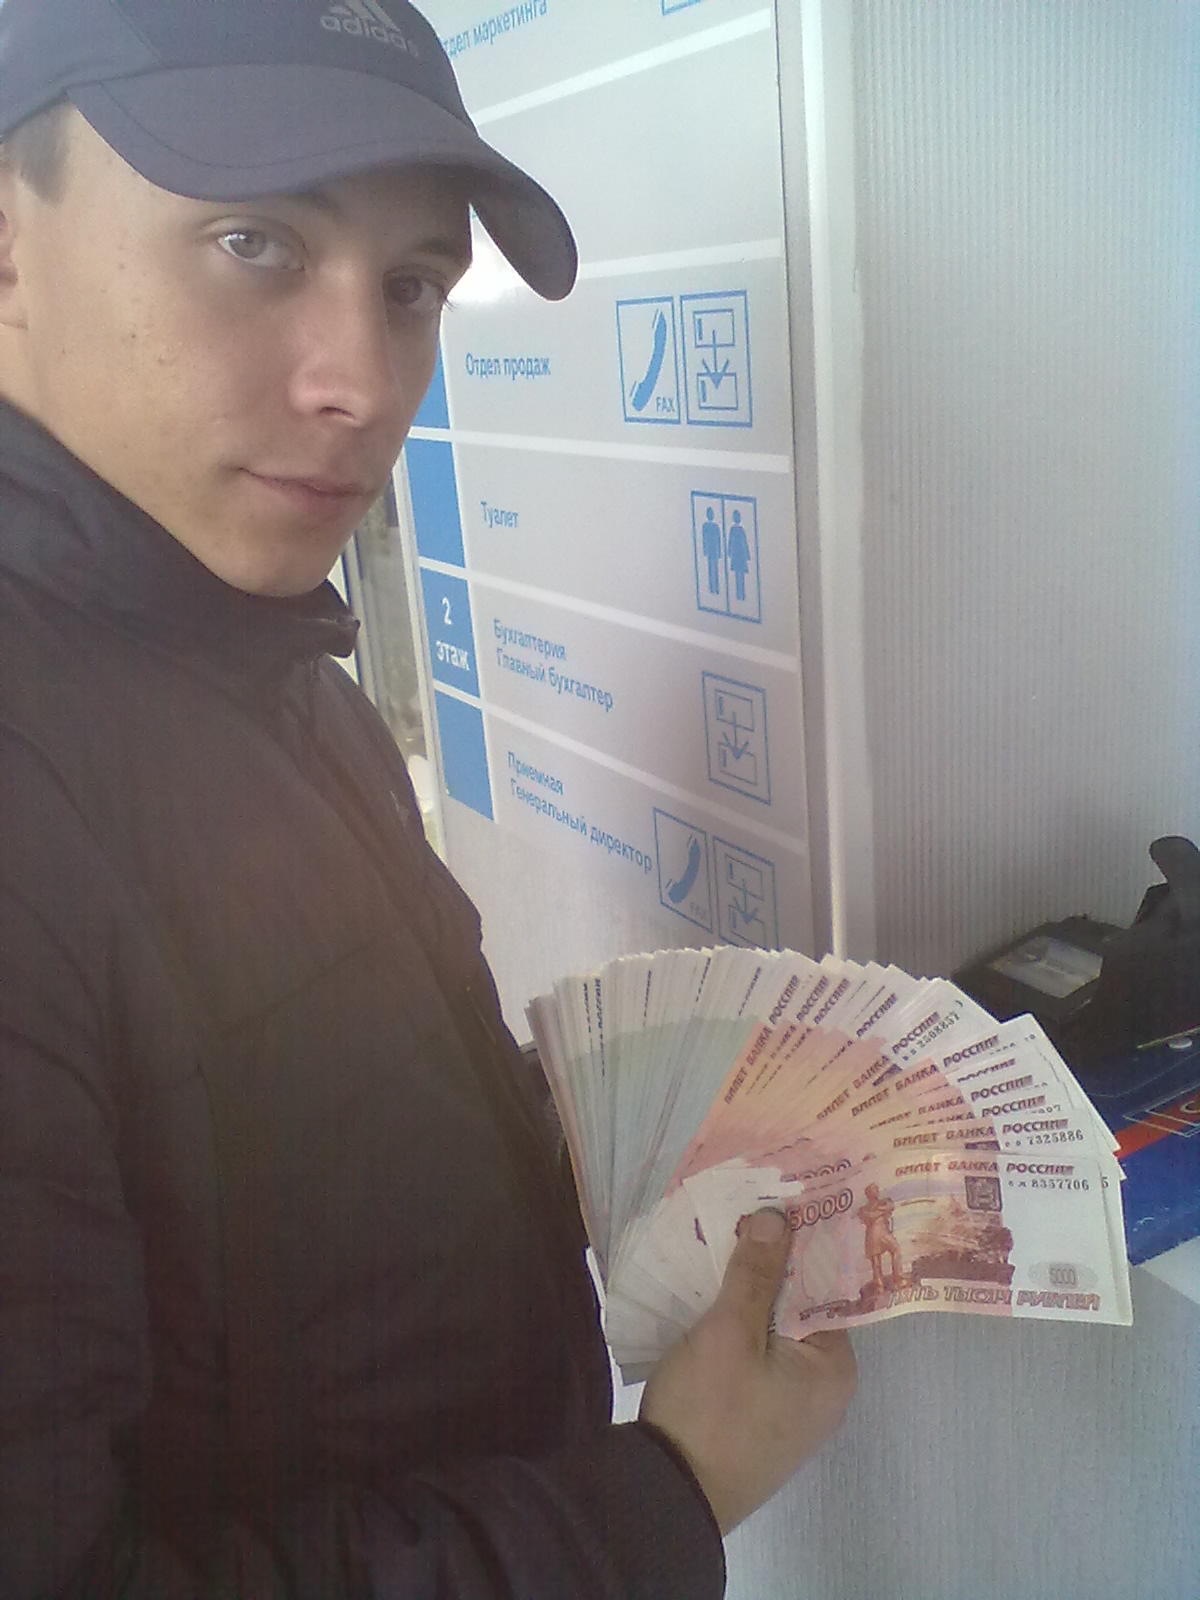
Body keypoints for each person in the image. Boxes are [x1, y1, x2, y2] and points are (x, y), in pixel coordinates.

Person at [0, 2, 857, 1594]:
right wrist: (662, 1494)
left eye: (410, 287)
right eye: (255, 243)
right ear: (8, 244)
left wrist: (591, 1139)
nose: (364, 382)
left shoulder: (262, 654)